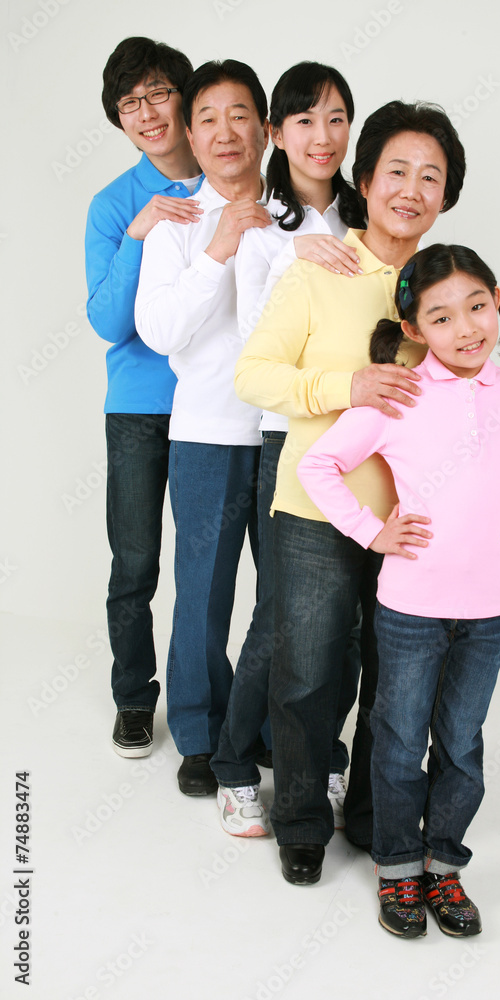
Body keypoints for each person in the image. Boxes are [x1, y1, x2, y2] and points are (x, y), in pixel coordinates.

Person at [234, 100, 500, 886]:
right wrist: (343, 386)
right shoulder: (318, 270)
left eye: (430, 177)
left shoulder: (442, 284)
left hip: (418, 529)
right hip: (318, 512)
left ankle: (374, 819)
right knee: (309, 673)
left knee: (393, 687)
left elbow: (478, 371)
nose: (411, 190)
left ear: (446, 194)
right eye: (396, 172)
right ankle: (301, 822)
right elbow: (252, 375)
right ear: (364, 179)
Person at [297, 243, 500, 937]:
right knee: (399, 741)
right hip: (409, 608)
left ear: (497, 301)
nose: (465, 329)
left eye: (476, 307)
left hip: (489, 612)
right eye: (441, 317)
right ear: (413, 330)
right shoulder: (401, 395)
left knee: (461, 745)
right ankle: (397, 867)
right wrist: (372, 532)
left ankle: (444, 864)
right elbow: (320, 465)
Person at [210, 61, 366, 836]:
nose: (321, 136)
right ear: (276, 132)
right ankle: (234, 766)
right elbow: (254, 351)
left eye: (335, 118)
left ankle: (322, 759)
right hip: (292, 441)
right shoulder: (262, 227)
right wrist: (295, 265)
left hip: (367, 445)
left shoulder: (367, 215)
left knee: (347, 621)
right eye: (303, 120)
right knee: (281, 615)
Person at [134, 59, 271, 795]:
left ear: (265, 128)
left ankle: (270, 726)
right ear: (190, 134)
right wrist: (219, 246)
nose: (225, 132)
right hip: (208, 434)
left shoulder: (298, 216)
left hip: (288, 435)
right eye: (208, 118)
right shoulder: (177, 223)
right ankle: (197, 731)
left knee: (286, 600)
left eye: (239, 114)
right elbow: (159, 332)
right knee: (203, 595)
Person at [85, 37, 202, 759]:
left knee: (205, 570)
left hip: (213, 405)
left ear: (184, 98)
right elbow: (107, 321)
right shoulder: (112, 204)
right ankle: (134, 698)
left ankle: (204, 704)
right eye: (130, 103)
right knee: (134, 564)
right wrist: (138, 232)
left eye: (158, 92)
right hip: (135, 408)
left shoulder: (232, 180)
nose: (148, 112)